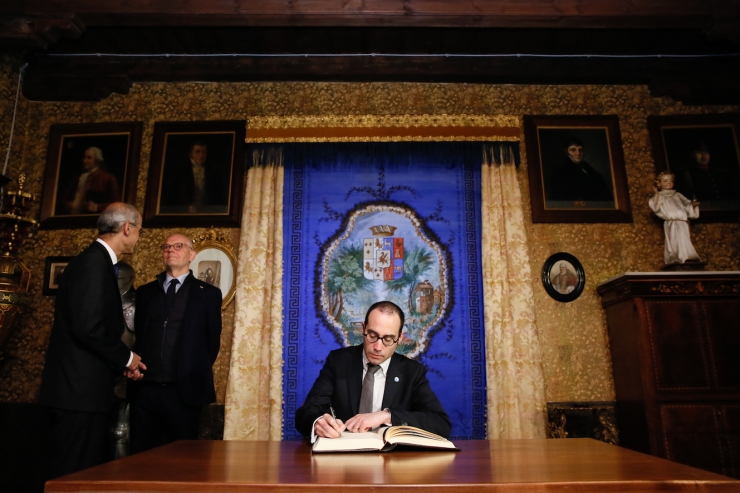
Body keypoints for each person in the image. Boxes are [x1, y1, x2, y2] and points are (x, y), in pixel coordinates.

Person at [38, 202, 146, 478]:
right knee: (72, 476)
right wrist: (127, 357)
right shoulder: (93, 264)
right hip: (77, 395)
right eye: (139, 231)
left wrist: (117, 363)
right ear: (126, 228)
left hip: (80, 392)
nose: (138, 237)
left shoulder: (94, 261)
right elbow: (88, 328)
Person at [295, 301, 451, 440]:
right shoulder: (338, 361)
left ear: (400, 338)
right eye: (372, 335)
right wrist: (317, 423)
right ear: (363, 328)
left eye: (388, 339)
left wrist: (386, 416)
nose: (377, 347)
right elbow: (306, 412)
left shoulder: (412, 372)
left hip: (393, 463)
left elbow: (441, 424)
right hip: (343, 460)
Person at [128, 233, 222, 454]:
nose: (171, 250)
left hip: (184, 394)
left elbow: (211, 342)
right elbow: (138, 337)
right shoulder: (144, 292)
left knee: (182, 460)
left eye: (178, 246)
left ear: (192, 255)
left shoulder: (208, 294)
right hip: (145, 390)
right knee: (141, 459)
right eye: (166, 247)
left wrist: (193, 371)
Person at [159, 140, 230, 213]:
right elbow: (171, 198)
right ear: (190, 154)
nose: (201, 155)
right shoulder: (180, 173)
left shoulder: (213, 174)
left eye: (204, 152)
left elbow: (219, 199)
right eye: (198, 152)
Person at [648, 171, 702, 265]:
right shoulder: (660, 196)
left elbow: (686, 206)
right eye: (665, 181)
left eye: (670, 180)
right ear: (659, 184)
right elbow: (655, 207)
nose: (668, 182)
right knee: (674, 240)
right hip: (671, 222)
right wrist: (656, 194)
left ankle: (688, 256)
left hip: (682, 221)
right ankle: (676, 257)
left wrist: (692, 206)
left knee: (685, 239)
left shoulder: (677, 195)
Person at [547, 137, 613, 203]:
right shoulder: (559, 173)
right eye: (573, 150)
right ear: (567, 152)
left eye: (580, 150)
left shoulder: (593, 173)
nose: (578, 153)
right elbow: (559, 198)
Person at [60, 147, 121, 215]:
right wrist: (70, 205)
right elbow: (64, 200)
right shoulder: (76, 179)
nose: (85, 161)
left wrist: (96, 207)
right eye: (84, 157)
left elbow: (117, 205)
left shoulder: (108, 178)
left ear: (97, 160)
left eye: (89, 158)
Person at [675, 141, 740, 202]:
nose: (704, 156)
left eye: (706, 152)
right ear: (692, 154)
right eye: (699, 152)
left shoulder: (721, 174)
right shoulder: (687, 175)